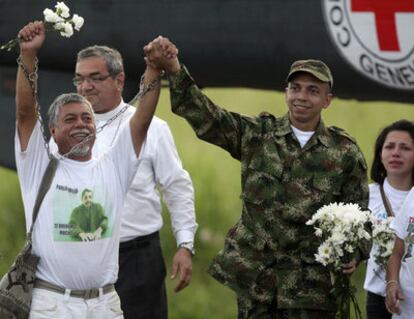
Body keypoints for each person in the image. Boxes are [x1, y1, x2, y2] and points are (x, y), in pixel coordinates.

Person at [145, 37, 370, 318]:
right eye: (295, 88)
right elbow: (208, 118)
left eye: (313, 91)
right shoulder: (258, 135)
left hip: (311, 289)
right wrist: (174, 68)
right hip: (257, 284)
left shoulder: (344, 152)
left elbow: (361, 214)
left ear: (327, 100)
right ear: (285, 92)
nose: (301, 96)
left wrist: (356, 251)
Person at [15, 21, 163, 318]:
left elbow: (142, 121)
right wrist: (28, 55)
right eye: (70, 120)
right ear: (53, 131)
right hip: (53, 304)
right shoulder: (39, 167)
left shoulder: (112, 166)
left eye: (87, 119)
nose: (81, 125)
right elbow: (25, 113)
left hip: (105, 304)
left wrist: (154, 68)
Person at [67, 44, 197, 318]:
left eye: (95, 78)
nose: (85, 86)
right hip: (81, 258)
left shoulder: (154, 129)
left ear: (119, 80)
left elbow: (176, 186)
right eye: (79, 78)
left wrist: (185, 245)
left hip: (137, 259)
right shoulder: (64, 132)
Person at [363, 120, 414, 319]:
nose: (395, 153)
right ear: (380, 154)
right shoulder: (365, 194)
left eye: (405, 148)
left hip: (410, 298)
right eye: (389, 146)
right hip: (378, 294)